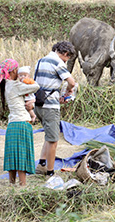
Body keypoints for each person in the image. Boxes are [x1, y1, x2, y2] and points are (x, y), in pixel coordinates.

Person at [34, 41, 76, 176]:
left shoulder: (40, 61)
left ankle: (41, 164)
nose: (66, 60)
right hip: (50, 106)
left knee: (48, 134)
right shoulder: (58, 62)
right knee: (53, 140)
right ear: (65, 54)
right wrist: (67, 92)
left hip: (38, 104)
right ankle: (50, 173)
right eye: (67, 57)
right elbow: (71, 82)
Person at [0, 59, 40, 186]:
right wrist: (27, 79)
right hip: (22, 124)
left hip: (12, 125)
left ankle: (11, 183)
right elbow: (36, 87)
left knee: (12, 155)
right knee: (21, 155)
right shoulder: (16, 85)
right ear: (14, 71)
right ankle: (23, 185)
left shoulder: (6, 85)